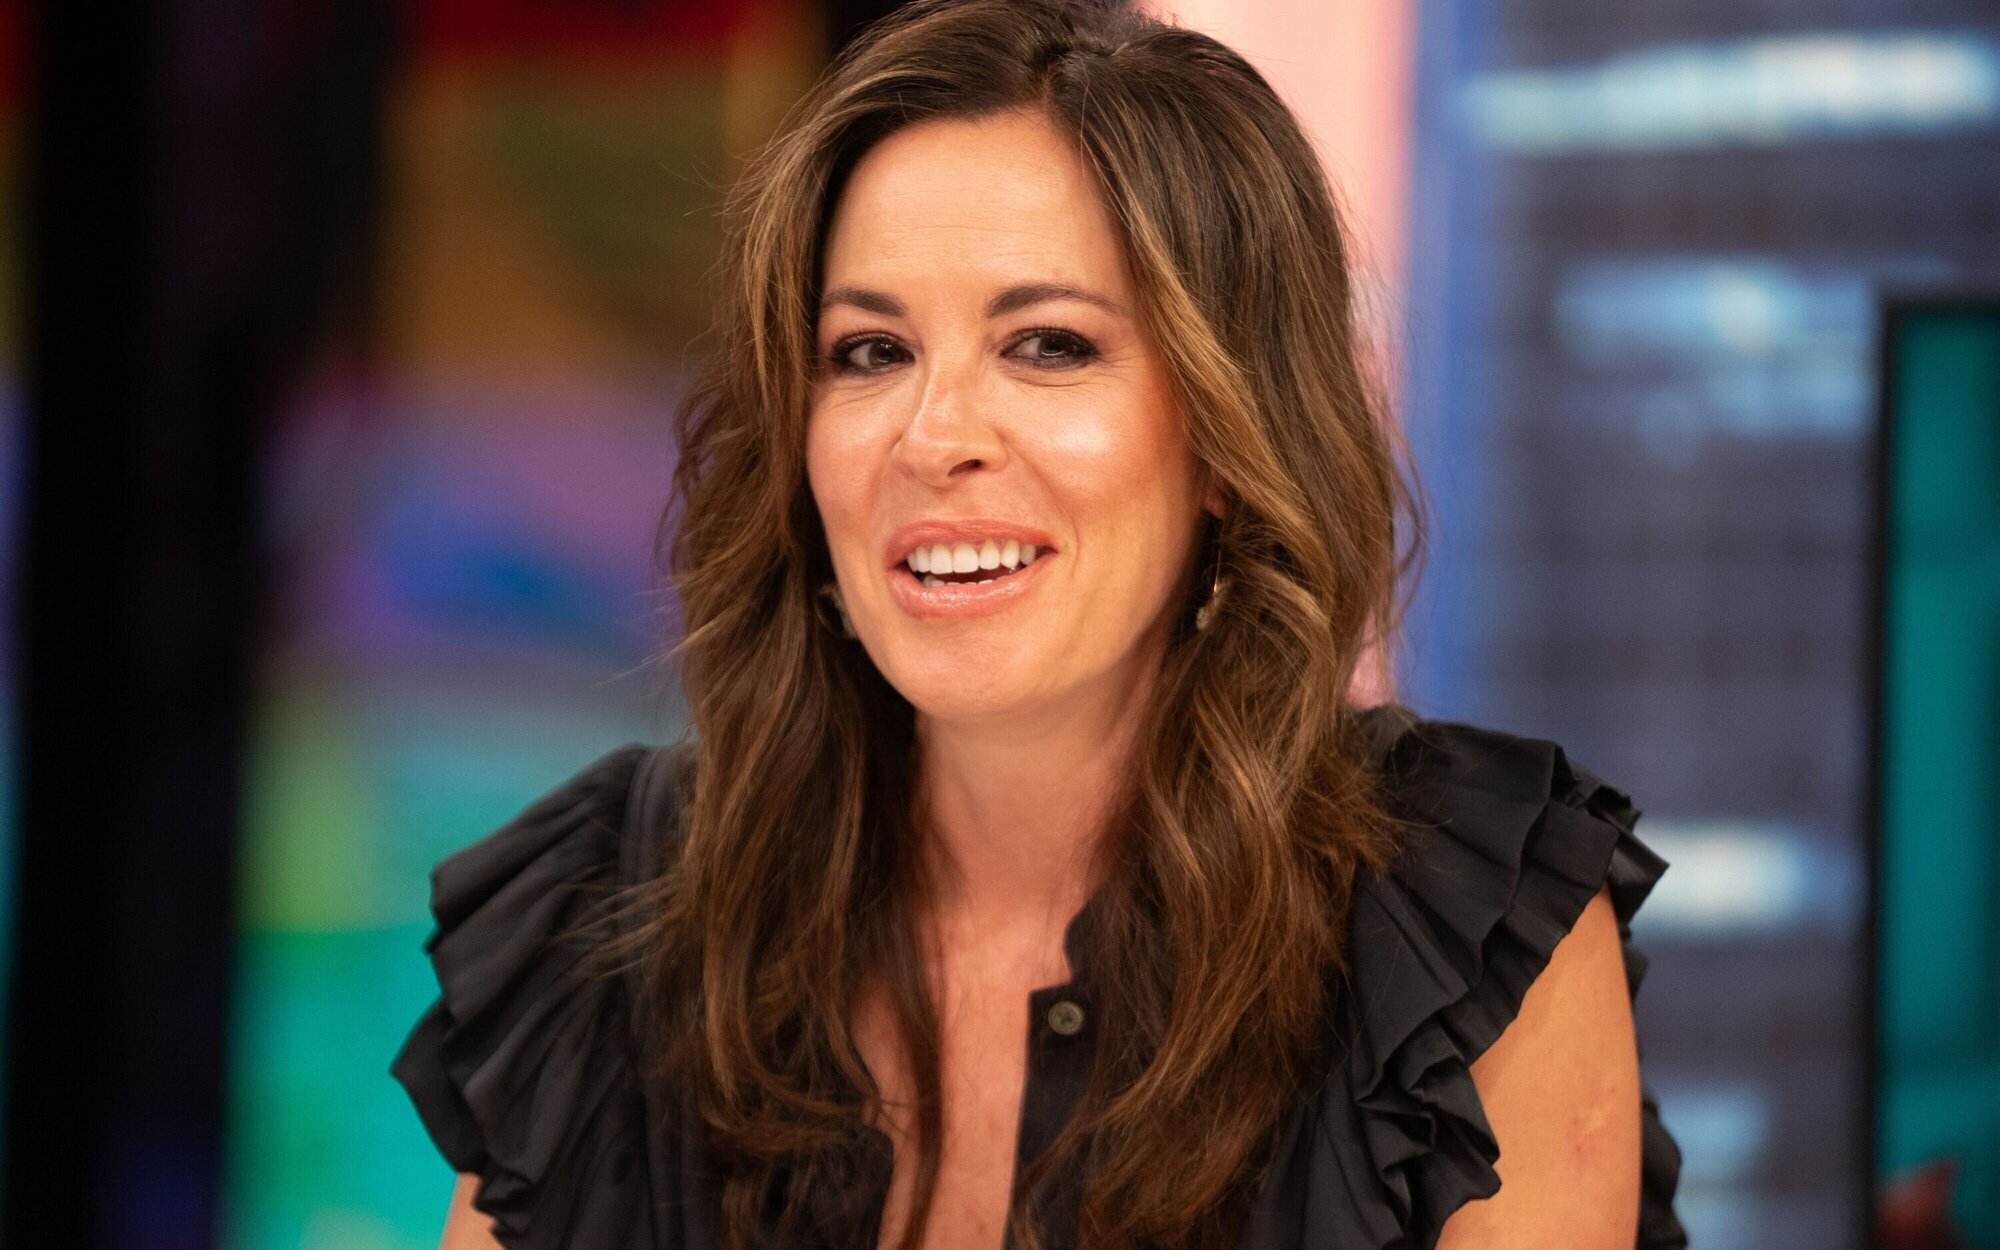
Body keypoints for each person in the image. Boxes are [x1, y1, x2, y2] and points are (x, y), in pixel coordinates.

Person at [389, 1, 1688, 1247]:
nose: (934, 437)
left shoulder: (1463, 932)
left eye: (1050, 345)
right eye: (870, 352)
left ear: (1226, 433)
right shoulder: (606, 916)